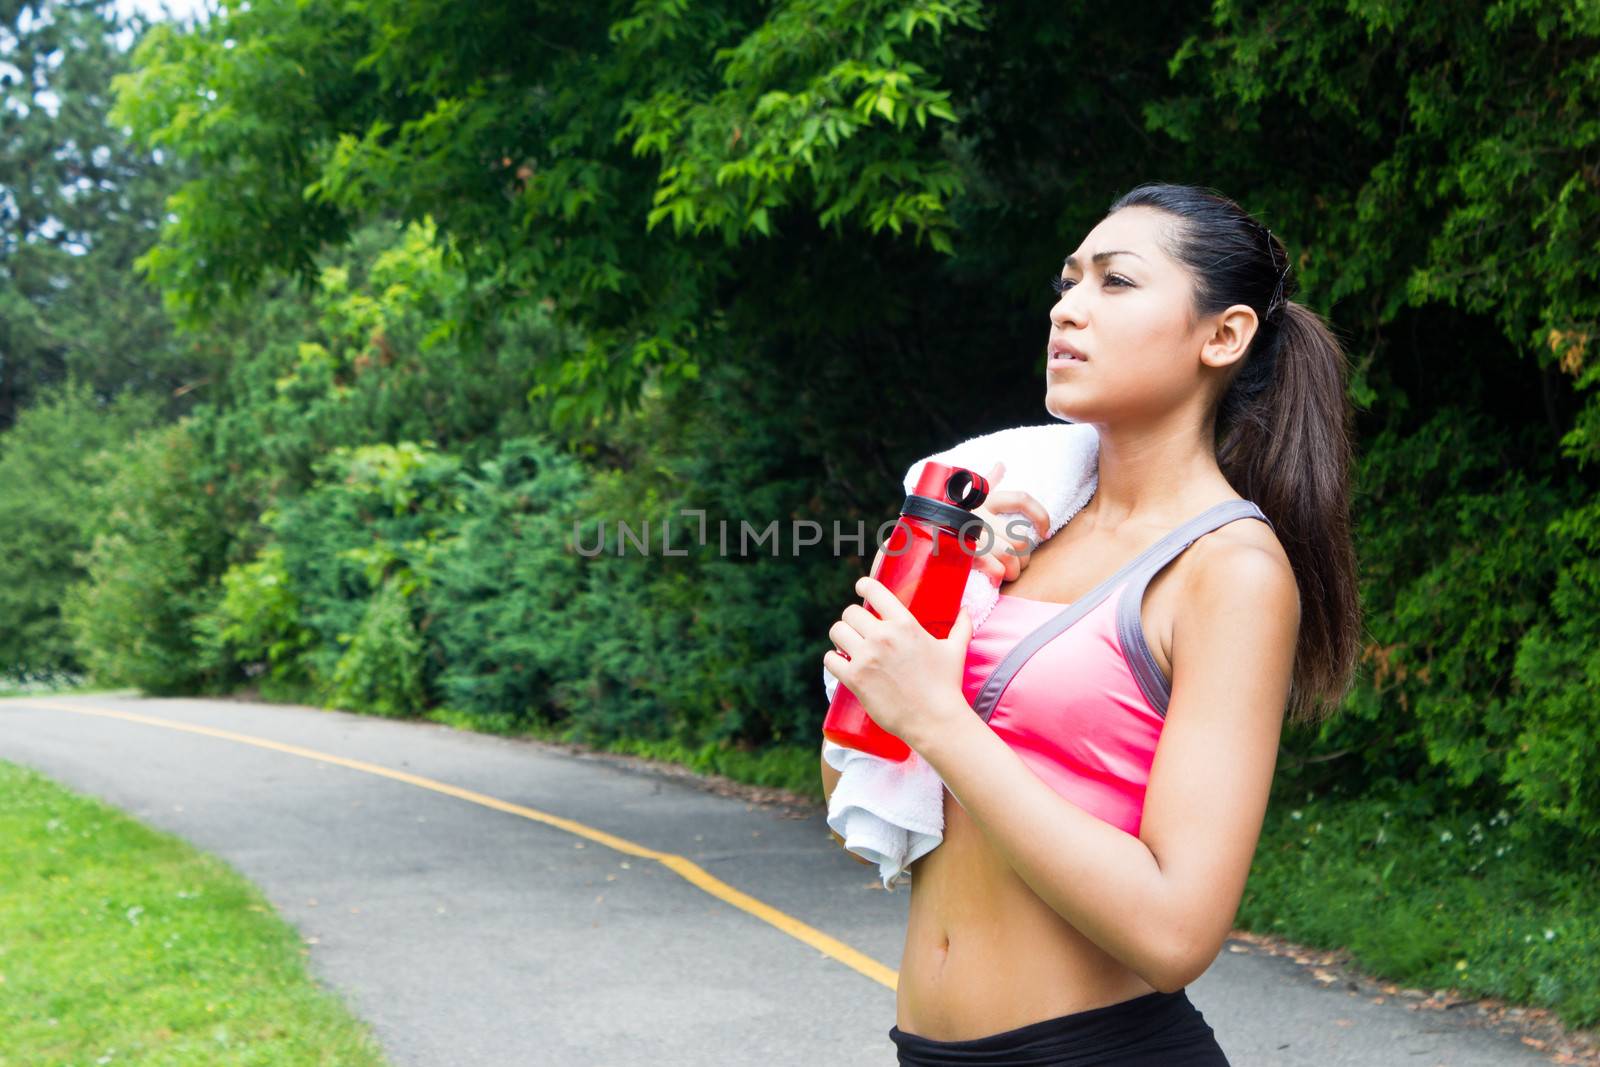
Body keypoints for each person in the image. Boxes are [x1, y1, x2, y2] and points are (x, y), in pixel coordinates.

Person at [820, 182, 1362, 1065]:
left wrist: (939, 718)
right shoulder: (1019, 533)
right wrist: (910, 630)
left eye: (1115, 282)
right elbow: (862, 795)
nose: (1067, 309)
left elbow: (1177, 931)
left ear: (1222, 336)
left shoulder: (1230, 570)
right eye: (1067, 283)